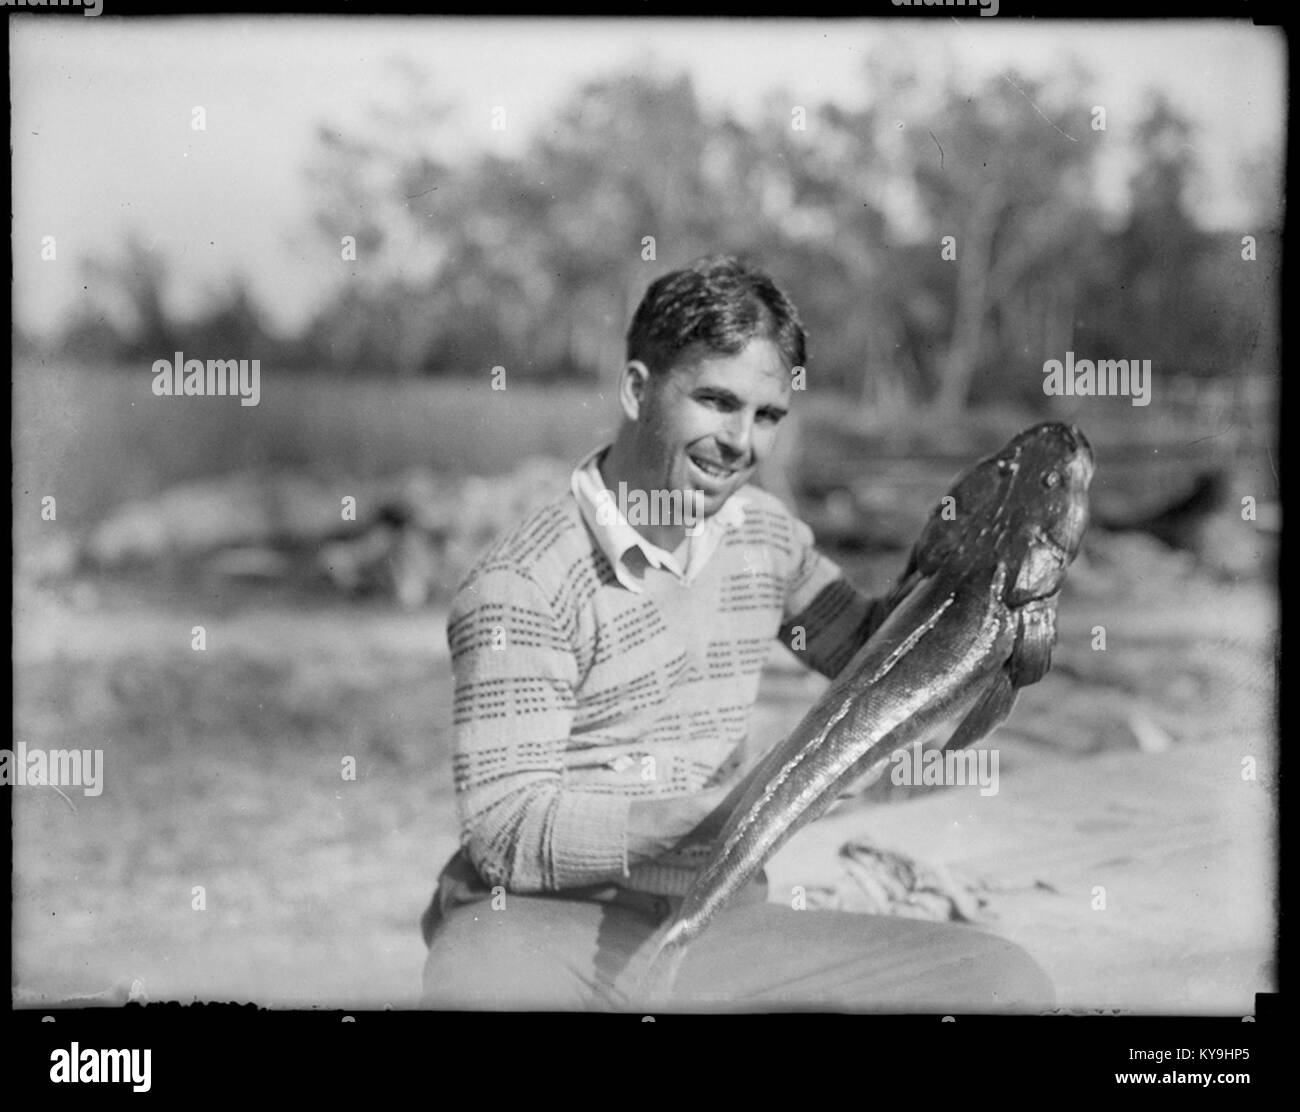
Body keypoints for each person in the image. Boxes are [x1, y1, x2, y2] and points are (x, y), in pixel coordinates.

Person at [419, 255, 1054, 1012]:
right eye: (716, 402)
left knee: (1005, 986)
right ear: (635, 390)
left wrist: (991, 576)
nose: (741, 442)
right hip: (541, 930)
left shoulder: (767, 537)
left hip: (716, 923)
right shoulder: (523, 582)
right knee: (477, 976)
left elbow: (874, 659)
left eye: (767, 416)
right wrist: (717, 812)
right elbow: (504, 836)